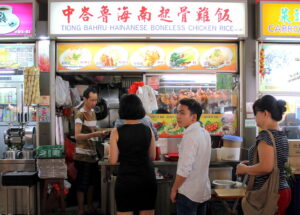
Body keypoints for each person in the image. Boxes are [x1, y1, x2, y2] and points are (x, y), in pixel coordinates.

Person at [236, 95, 291, 215]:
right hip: (281, 190)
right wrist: (252, 164)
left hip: (268, 193)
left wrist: (245, 169)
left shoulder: (265, 136)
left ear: (265, 113)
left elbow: (266, 167)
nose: (255, 117)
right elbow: (274, 162)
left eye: (256, 113)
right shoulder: (281, 134)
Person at [109, 94, 157, 215]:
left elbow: (113, 160)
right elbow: (153, 156)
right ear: (139, 108)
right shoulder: (148, 129)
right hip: (147, 178)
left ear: (122, 110)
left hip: (126, 180)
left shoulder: (116, 132)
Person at [170, 98, 211, 215]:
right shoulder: (205, 133)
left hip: (188, 194)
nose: (178, 116)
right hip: (202, 191)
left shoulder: (190, 136)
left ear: (193, 117)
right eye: (177, 112)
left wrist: (174, 189)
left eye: (182, 113)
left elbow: (184, 170)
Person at [74, 86, 109, 215]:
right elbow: (77, 135)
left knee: (91, 184)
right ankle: (81, 210)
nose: (94, 103)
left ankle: (89, 206)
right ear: (85, 99)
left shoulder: (93, 112)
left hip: (93, 154)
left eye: (96, 100)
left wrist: (102, 132)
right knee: (82, 184)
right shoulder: (80, 114)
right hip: (82, 155)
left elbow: (92, 130)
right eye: (92, 100)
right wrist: (94, 135)